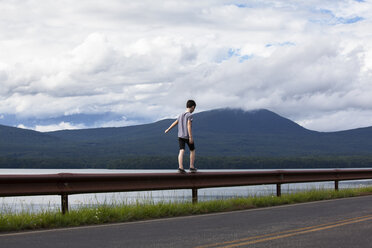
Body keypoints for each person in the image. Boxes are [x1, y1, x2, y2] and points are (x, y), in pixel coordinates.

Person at [164, 100, 197, 173]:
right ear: (192, 107)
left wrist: (168, 129)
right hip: (187, 136)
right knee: (192, 150)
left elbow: (175, 122)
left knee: (181, 150)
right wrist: (191, 137)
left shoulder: (181, 115)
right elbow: (189, 125)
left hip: (180, 136)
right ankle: (191, 167)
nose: (193, 110)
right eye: (194, 108)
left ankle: (180, 167)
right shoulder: (190, 115)